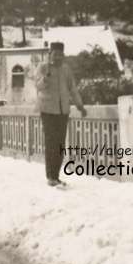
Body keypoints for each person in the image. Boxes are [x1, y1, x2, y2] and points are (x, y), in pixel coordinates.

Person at [36, 42, 86, 187]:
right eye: (55, 54)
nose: (58, 57)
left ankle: (56, 176)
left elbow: (73, 89)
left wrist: (80, 106)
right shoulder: (43, 67)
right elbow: (37, 86)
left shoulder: (66, 69)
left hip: (63, 111)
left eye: (60, 54)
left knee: (60, 144)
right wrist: (46, 77)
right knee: (51, 142)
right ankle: (50, 176)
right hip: (47, 110)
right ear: (50, 54)